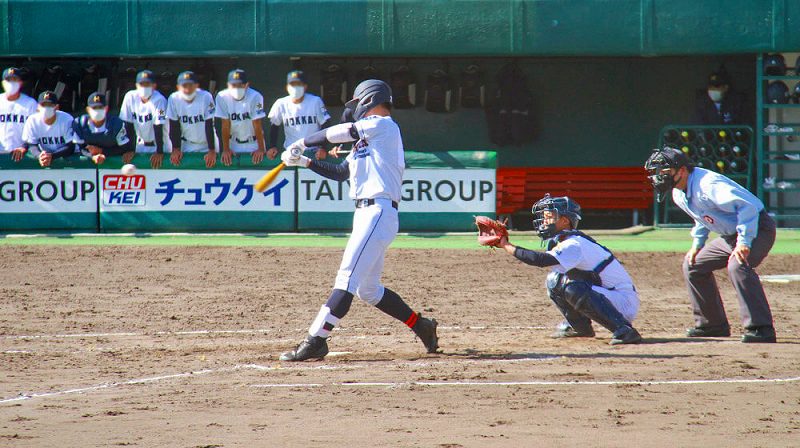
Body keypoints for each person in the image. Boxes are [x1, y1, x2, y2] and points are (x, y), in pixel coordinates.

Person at [278, 79, 439, 361]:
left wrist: (301, 142)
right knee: (369, 290)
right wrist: (304, 162)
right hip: (366, 214)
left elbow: (343, 131)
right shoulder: (365, 143)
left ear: (369, 99)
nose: (356, 110)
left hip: (378, 211)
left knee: (346, 278)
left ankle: (317, 339)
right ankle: (422, 326)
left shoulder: (384, 125)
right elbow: (341, 173)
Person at [645, 147, 777, 343]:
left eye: (665, 172)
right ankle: (712, 325)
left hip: (757, 227)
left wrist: (744, 242)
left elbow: (747, 207)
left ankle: (761, 328)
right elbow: (701, 217)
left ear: (681, 170)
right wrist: (697, 244)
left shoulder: (708, 185)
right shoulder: (678, 193)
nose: (659, 177)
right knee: (693, 265)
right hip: (728, 236)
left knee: (738, 265)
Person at [491, 195, 642, 345]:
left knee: (569, 286)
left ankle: (624, 330)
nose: (544, 221)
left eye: (549, 217)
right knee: (554, 280)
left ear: (564, 220)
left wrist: (506, 245)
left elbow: (540, 260)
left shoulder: (574, 244)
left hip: (623, 302)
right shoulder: (567, 240)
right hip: (609, 297)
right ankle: (580, 327)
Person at [268, 70, 332, 161]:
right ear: (287, 87)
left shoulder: (315, 101)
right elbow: (274, 126)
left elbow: (326, 125)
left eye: (299, 84)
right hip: (291, 151)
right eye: (292, 84)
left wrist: (323, 148)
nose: (295, 87)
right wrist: (272, 146)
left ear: (305, 86)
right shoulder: (280, 103)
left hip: (314, 152)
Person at [214, 69, 273, 166]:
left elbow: (257, 125)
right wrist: (226, 149)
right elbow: (225, 125)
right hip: (233, 142)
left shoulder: (255, 96)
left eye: (240, 85)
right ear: (228, 85)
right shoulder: (222, 96)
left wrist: (261, 149)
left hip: (253, 143)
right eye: (233, 85)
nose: (236, 88)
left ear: (246, 85)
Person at [119, 70, 169, 168]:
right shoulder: (130, 97)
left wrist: (159, 152)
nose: (144, 87)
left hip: (161, 146)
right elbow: (127, 124)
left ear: (154, 85)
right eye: (141, 84)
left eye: (147, 84)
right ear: (136, 85)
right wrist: (130, 149)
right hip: (140, 146)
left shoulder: (159, 99)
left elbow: (158, 126)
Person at [166, 71, 216, 168]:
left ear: (197, 85)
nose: (188, 89)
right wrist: (176, 148)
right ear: (178, 87)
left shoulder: (206, 96)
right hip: (187, 144)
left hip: (207, 144)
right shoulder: (173, 98)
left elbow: (209, 124)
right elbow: (174, 125)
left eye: (191, 85)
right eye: (184, 85)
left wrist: (212, 150)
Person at [73, 92, 132, 165]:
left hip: (112, 166)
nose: (97, 110)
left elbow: (124, 148)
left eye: (100, 108)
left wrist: (101, 151)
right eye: (94, 108)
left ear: (106, 109)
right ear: (88, 110)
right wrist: (93, 156)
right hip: (87, 168)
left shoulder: (116, 124)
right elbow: (79, 148)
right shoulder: (80, 124)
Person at [20, 91, 77, 167]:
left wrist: (52, 156)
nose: (46, 108)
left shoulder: (67, 119)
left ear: (57, 107)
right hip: (45, 157)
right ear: (38, 108)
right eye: (43, 105)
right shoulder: (32, 121)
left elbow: (71, 147)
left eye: (50, 105)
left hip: (68, 160)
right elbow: (31, 144)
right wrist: (39, 155)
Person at [1, 67, 38, 158]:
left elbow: (36, 130)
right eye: (8, 80)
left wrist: (24, 146)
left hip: (22, 154)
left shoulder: (30, 103)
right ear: (3, 83)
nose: (11, 82)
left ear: (20, 83)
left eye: (15, 79)